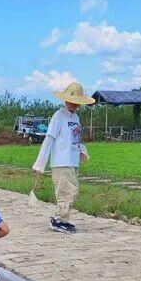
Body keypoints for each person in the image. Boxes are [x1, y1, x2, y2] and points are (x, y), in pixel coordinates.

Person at [32, 82, 95, 234]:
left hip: (72, 161)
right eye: (71, 100)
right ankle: (58, 220)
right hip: (61, 161)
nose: (73, 104)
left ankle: (63, 219)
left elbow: (76, 138)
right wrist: (40, 164)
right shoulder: (58, 116)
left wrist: (82, 151)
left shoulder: (76, 118)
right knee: (68, 192)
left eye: (76, 102)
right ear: (65, 100)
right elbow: (49, 139)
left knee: (71, 192)